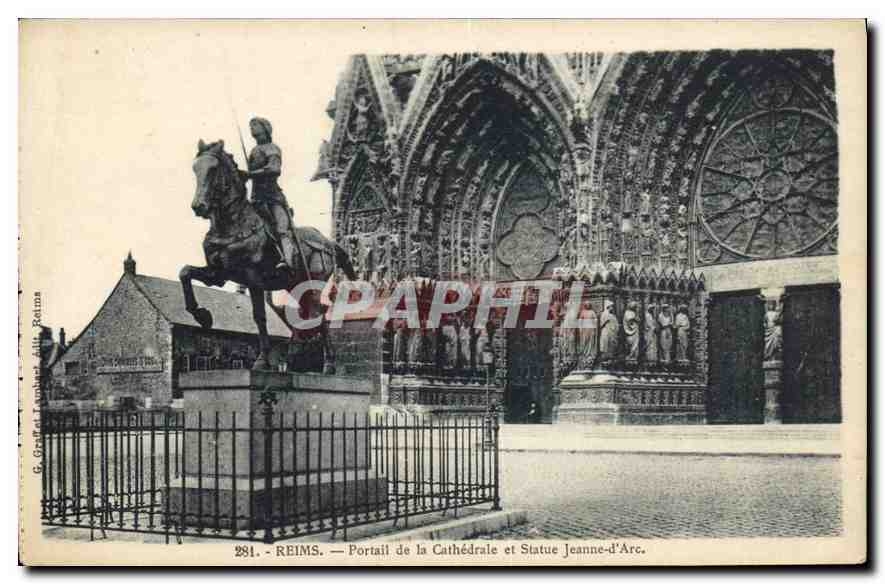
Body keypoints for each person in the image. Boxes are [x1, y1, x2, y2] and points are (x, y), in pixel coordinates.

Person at [242, 117, 297, 273]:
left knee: (281, 229)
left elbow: (274, 168)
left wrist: (250, 174)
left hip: (273, 197)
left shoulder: (272, 148)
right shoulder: (254, 151)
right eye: (250, 125)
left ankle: (288, 260)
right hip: (256, 197)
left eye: (255, 125)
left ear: (265, 128)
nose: (251, 128)